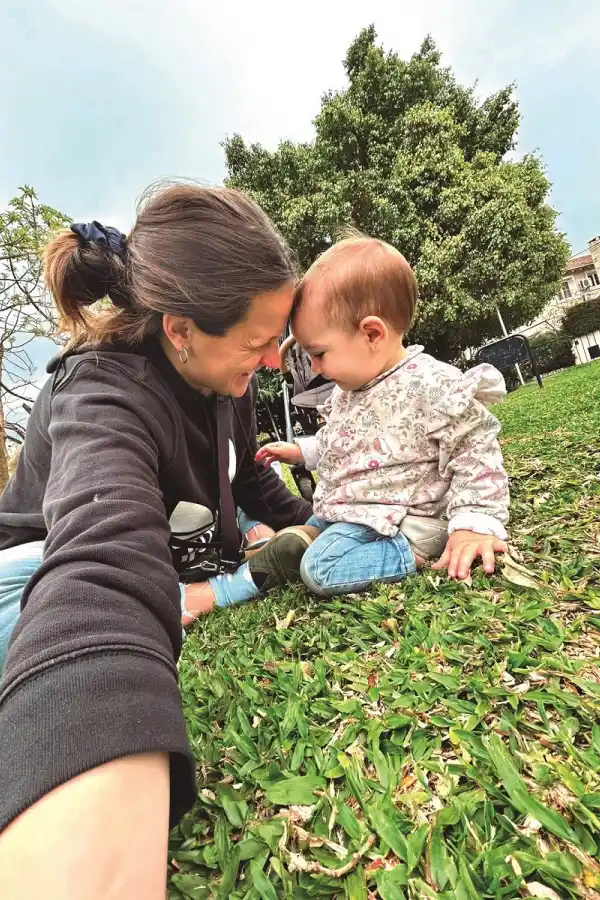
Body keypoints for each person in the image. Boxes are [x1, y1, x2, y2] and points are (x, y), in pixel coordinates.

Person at [0, 183, 317, 898]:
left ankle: (216, 583)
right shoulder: (99, 390)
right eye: (259, 343)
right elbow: (101, 561)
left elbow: (253, 481)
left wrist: (325, 516)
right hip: (32, 576)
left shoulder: (224, 386)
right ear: (179, 329)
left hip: (175, 560)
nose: (273, 364)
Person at [256, 234, 510, 596]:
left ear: (372, 333)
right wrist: (301, 452)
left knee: (320, 569)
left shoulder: (430, 384)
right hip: (357, 508)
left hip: (399, 514)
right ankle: (312, 537)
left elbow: (475, 451)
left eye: (320, 353)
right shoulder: (349, 391)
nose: (313, 366)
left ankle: (416, 549)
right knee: (314, 527)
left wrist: (475, 524)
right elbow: (342, 440)